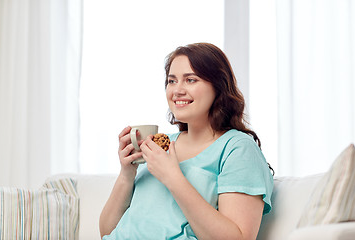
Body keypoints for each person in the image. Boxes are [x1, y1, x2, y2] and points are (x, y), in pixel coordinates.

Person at [99, 43, 274, 240]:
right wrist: (127, 173)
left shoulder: (238, 148)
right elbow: (107, 231)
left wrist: (173, 178)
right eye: (171, 81)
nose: (177, 90)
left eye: (191, 80)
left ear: (218, 86)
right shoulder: (159, 147)